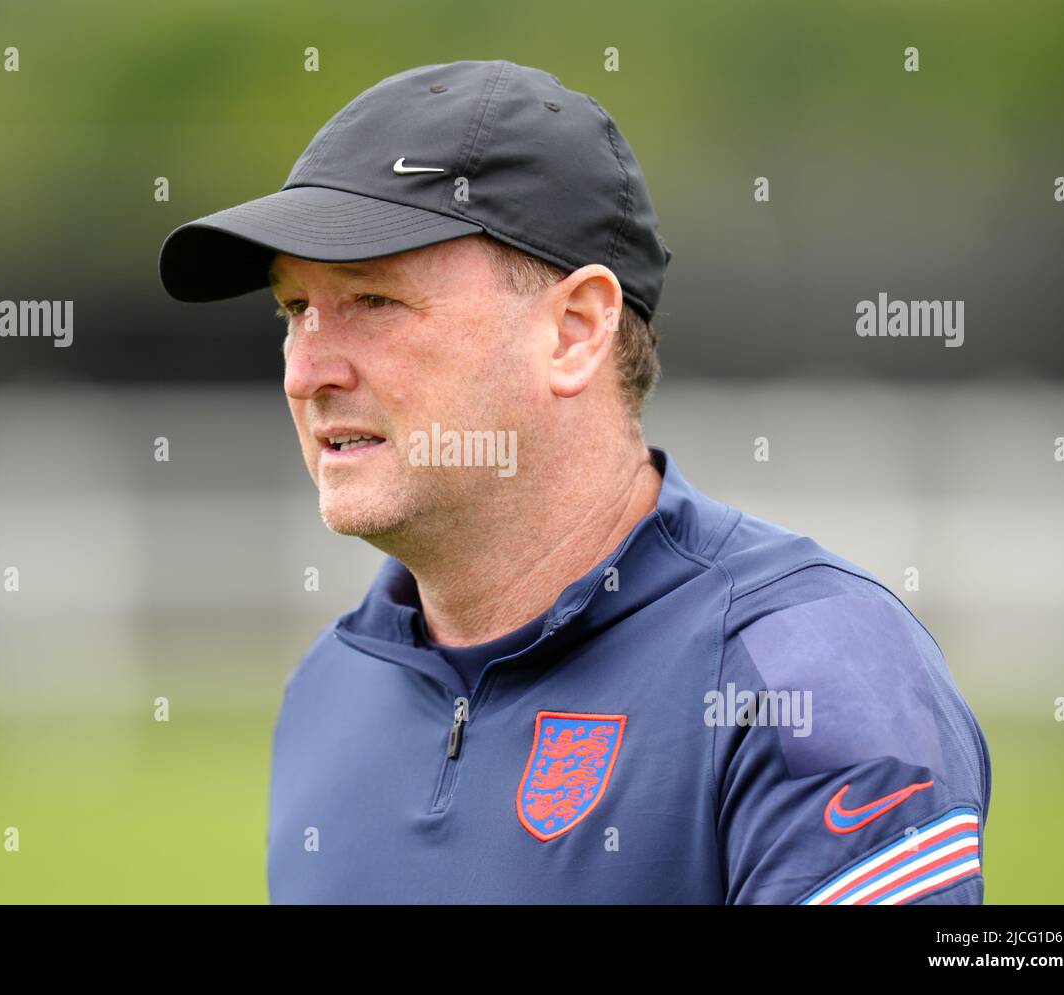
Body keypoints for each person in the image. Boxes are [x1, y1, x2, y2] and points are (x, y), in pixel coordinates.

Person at [159, 59, 990, 904]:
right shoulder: (327, 691)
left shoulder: (807, 669)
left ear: (574, 331)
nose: (308, 370)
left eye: (373, 300)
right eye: (294, 309)